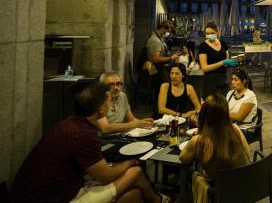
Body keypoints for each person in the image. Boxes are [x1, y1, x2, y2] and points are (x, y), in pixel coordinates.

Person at [11, 78, 168, 203]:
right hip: (54, 197)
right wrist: (130, 162)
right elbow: (105, 176)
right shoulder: (83, 135)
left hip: (53, 190)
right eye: (108, 101)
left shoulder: (71, 122)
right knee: (136, 172)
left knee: (134, 195)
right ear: (101, 109)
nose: (111, 103)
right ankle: (159, 200)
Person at [179, 94, 250, 178]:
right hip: (247, 182)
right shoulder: (235, 129)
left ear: (203, 115)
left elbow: (183, 159)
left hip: (222, 189)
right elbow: (248, 154)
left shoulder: (198, 140)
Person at [147, 21, 179, 115]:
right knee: (159, 95)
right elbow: (156, 59)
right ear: (162, 28)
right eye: (167, 31)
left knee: (163, 94)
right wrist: (171, 58)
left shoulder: (159, 38)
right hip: (157, 72)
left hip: (162, 70)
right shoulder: (154, 40)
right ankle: (157, 116)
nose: (167, 33)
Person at [199, 22, 238, 98]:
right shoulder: (203, 46)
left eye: (212, 33)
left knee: (227, 103)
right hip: (210, 81)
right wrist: (222, 62)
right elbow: (204, 68)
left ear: (217, 32)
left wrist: (231, 63)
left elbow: (226, 61)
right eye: (207, 33)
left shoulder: (223, 44)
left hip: (224, 79)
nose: (210, 35)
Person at [225, 68, 258, 141]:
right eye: (232, 79)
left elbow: (239, 117)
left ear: (244, 81)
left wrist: (221, 112)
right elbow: (224, 108)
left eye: (236, 80)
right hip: (231, 126)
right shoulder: (230, 93)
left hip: (244, 130)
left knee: (221, 138)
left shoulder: (250, 96)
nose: (233, 82)